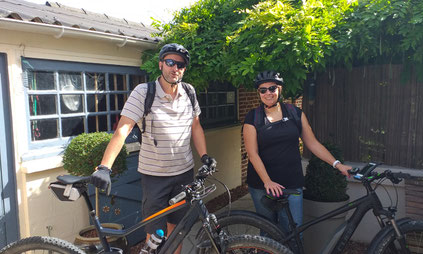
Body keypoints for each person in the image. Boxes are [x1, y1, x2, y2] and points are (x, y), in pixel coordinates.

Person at [91, 43, 214, 254]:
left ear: (184, 69)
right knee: (155, 234)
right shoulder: (143, 92)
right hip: (154, 176)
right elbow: (123, 129)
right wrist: (105, 167)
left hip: (184, 173)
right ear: (160, 64)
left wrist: (204, 156)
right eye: (170, 62)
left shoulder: (189, 92)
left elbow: (195, 126)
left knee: (178, 229)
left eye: (180, 64)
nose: (175, 68)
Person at [242, 70, 352, 234]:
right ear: (259, 93)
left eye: (272, 88)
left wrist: (337, 164)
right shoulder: (253, 117)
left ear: (280, 89)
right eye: (262, 90)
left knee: (294, 233)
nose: (268, 93)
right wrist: (267, 181)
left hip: (291, 183)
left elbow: (313, 143)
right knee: (267, 233)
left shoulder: (294, 113)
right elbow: (253, 154)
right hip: (262, 185)